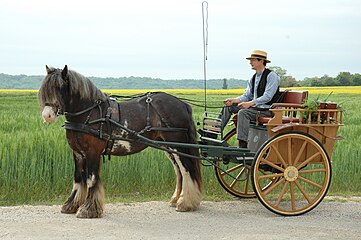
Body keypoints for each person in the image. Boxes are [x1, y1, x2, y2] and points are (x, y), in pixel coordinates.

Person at [220, 50, 281, 148]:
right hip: (255, 109)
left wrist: (250, 103)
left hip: (267, 110)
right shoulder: (253, 78)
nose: (250, 62)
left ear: (261, 61)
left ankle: (242, 145)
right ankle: (215, 131)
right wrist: (234, 100)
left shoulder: (272, 76)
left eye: (253, 60)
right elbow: (246, 96)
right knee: (228, 107)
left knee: (243, 113)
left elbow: (268, 96)